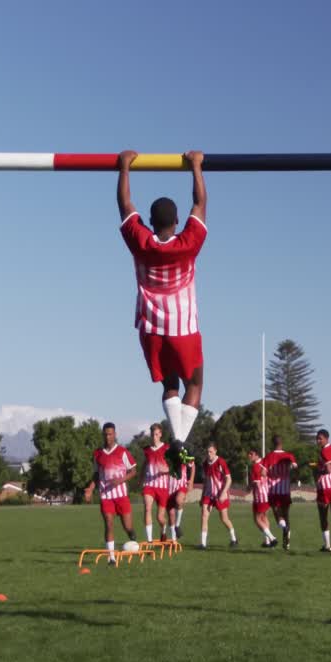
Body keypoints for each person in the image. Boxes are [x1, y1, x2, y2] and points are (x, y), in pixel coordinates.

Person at [117, 149, 209, 464]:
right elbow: (200, 203)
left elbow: (125, 206)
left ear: (150, 221)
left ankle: (177, 442)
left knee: (169, 383)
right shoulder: (188, 244)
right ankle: (179, 440)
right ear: (177, 221)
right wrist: (196, 166)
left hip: (151, 328)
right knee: (194, 384)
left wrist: (125, 168)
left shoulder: (140, 241)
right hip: (183, 328)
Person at [82, 422, 139, 563]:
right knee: (108, 522)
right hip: (106, 495)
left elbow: (133, 471)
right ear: (103, 435)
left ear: (115, 435)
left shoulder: (123, 451)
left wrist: (121, 480)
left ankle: (131, 534)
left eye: (110, 434)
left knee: (128, 526)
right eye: (105, 434)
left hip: (121, 496)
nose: (108, 437)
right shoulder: (98, 454)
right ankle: (111, 557)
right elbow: (96, 475)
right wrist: (90, 488)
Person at [262, 434, 299, 551]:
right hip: (285, 490)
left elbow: (263, 472)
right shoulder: (289, 456)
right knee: (286, 515)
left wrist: (268, 473)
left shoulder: (268, 457)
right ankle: (286, 543)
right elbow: (295, 467)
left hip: (273, 490)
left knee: (277, 515)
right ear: (281, 443)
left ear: (272, 444)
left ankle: (284, 528)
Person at [198, 442, 237, 549]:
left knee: (224, 519)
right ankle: (203, 543)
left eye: (211, 452)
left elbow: (229, 479)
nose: (209, 454)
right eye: (207, 452)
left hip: (220, 494)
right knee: (204, 516)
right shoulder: (205, 463)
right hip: (208, 494)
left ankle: (234, 538)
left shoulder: (221, 462)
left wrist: (224, 492)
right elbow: (206, 481)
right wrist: (202, 496)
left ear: (215, 451)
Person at [141, 423, 173, 542]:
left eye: (156, 434)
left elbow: (175, 466)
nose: (154, 437)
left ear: (160, 435)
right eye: (152, 434)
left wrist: (166, 470)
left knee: (160, 517)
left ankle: (164, 528)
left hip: (163, 487)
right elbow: (145, 464)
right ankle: (149, 540)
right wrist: (141, 479)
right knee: (147, 508)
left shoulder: (167, 448)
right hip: (149, 485)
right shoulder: (147, 450)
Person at [247, 447, 278, 548]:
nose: (249, 456)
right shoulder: (264, 463)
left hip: (259, 496)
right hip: (267, 494)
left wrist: (249, 487)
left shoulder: (255, 466)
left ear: (257, 455)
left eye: (251, 454)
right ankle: (267, 541)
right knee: (264, 517)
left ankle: (272, 538)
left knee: (257, 519)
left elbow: (256, 483)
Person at [165, 453, 196, 542]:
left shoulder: (183, 453)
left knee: (179, 501)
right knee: (171, 514)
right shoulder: (165, 453)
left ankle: (177, 525)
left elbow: (193, 465)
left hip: (181, 485)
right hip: (168, 487)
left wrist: (191, 481)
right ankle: (173, 539)